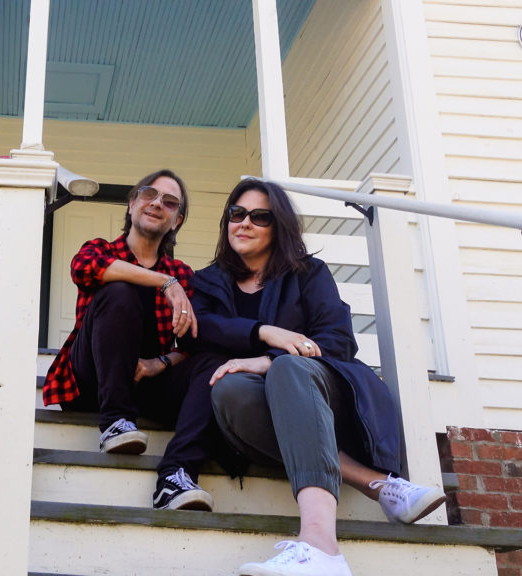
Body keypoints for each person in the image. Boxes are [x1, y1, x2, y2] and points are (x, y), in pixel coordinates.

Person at [178, 178, 445, 576]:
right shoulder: (207, 282)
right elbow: (202, 331)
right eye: (237, 214)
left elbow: (337, 340)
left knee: (287, 368)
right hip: (259, 415)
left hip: (328, 395)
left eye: (259, 216)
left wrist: (269, 360)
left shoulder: (308, 274)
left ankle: (320, 544)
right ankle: (376, 483)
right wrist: (266, 333)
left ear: (279, 225)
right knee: (228, 386)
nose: (244, 223)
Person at [42, 169, 215, 510]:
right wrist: (165, 282)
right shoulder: (101, 249)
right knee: (119, 290)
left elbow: (196, 343)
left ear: (176, 221)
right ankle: (114, 423)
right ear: (133, 203)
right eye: (149, 194)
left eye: (169, 202)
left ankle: (175, 479)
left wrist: (159, 363)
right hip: (92, 379)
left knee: (213, 361)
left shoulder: (185, 276)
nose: (157, 204)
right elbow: (87, 268)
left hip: (149, 386)